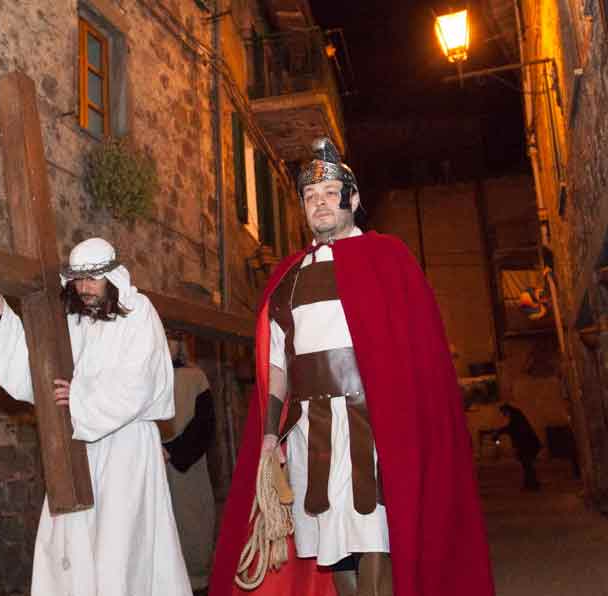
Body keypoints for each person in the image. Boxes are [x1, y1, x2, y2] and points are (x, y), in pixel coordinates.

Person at [211, 138, 495, 596]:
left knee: (375, 532)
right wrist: (269, 433)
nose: (319, 204)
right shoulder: (288, 277)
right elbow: (277, 363)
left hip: (373, 423)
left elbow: (417, 358)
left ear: (353, 200)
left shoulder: (389, 259)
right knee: (331, 541)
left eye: (329, 195)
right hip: (308, 431)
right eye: (309, 197)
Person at [0, 237, 192, 596]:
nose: (85, 288)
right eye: (78, 280)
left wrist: (81, 396)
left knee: (120, 546)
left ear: (112, 277)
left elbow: (140, 380)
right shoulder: (69, 321)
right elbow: (35, 373)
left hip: (125, 448)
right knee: (70, 544)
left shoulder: (139, 312)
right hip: (77, 450)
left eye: (93, 279)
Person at [159, 333, 216, 593]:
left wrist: (173, 451)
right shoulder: (146, 375)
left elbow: (204, 426)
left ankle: (196, 583)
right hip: (152, 463)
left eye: (172, 339)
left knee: (191, 524)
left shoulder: (196, 378)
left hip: (185, 467)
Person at [490, 403, 542, 491]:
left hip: (526, 444)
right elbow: (512, 428)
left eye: (503, 412)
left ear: (506, 410)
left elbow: (512, 428)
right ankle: (531, 484)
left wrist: (499, 431)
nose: (504, 415)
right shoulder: (516, 415)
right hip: (526, 444)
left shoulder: (515, 416)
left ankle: (532, 484)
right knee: (527, 465)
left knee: (527, 464)